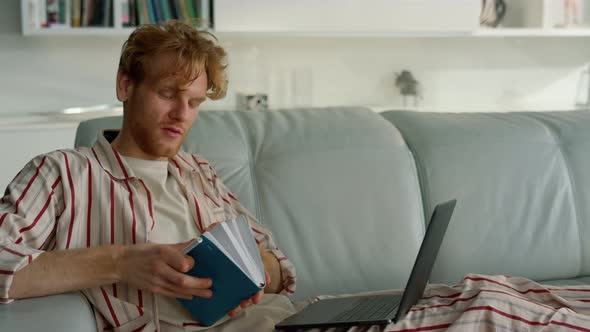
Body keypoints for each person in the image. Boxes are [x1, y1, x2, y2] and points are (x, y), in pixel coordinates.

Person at [0, 21, 296, 331]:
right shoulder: (61, 173)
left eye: (194, 102)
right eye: (168, 94)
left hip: (281, 319)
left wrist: (254, 269)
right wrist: (121, 263)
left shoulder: (199, 172)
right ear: (125, 85)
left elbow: (281, 269)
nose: (182, 114)